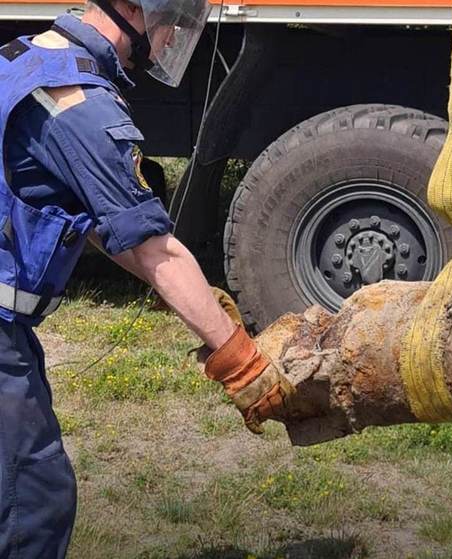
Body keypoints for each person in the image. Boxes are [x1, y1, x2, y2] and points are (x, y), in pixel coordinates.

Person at [0, 1, 293, 556]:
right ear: (137, 11)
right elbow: (156, 248)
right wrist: (240, 359)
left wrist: (177, 295)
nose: (166, 46)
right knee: (31, 500)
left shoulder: (21, 59)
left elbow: (92, 220)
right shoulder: (78, 104)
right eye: (169, 30)